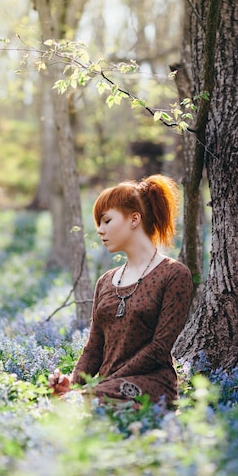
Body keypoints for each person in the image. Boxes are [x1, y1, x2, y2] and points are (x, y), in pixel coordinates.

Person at [49, 174, 193, 407]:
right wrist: (73, 385)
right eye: (98, 223)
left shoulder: (174, 274)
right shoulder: (106, 281)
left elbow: (159, 348)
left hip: (151, 385)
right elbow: (94, 348)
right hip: (104, 387)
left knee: (83, 406)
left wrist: (96, 387)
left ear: (134, 219)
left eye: (106, 221)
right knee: (58, 406)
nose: (99, 230)